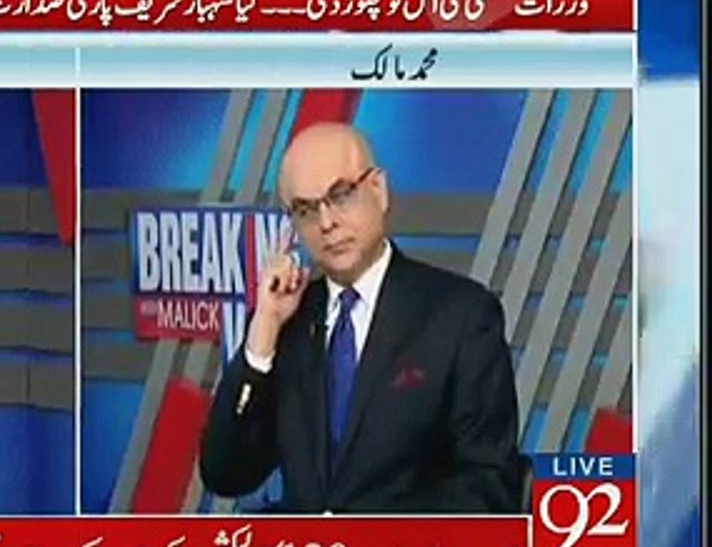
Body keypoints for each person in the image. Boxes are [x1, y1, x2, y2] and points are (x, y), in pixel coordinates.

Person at [200, 122, 521, 514]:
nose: (326, 223)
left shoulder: (461, 316)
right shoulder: (288, 324)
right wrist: (261, 342)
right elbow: (226, 474)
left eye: (340, 195)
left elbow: (490, 489)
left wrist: (368, 541)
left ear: (378, 190)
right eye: (306, 209)